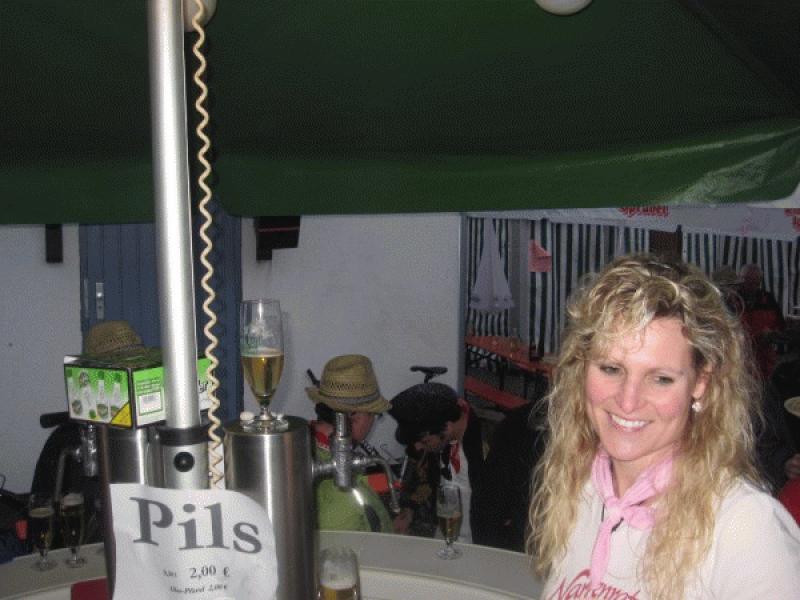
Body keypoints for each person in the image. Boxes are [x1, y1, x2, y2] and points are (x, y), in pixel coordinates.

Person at [529, 254, 800, 599]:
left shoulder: (745, 528)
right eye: (611, 369)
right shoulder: (578, 491)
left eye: (660, 378)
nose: (628, 401)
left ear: (700, 383)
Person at [306, 354, 393, 533]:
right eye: (373, 415)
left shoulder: (303, 443)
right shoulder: (336, 479)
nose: (372, 422)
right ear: (355, 416)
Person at [389, 382, 482, 542]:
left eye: (424, 441)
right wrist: (408, 511)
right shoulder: (439, 440)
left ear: (447, 427)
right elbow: (423, 479)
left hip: (479, 544)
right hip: (445, 536)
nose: (419, 447)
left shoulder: (488, 450)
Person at [737, 263, 785, 380]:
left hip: (764, 360)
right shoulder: (731, 300)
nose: (752, 286)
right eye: (748, 281)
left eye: (756, 282)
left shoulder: (768, 299)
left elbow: (781, 326)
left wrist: (771, 333)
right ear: (740, 279)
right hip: (740, 359)